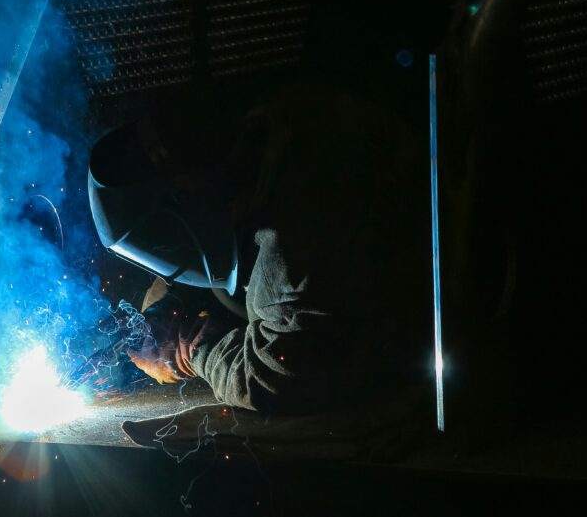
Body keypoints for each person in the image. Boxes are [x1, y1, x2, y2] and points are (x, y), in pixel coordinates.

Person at [88, 84, 425, 414]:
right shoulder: (270, 130)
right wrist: (168, 307)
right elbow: (213, 252)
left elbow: (275, 378)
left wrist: (194, 352)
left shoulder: (290, 250)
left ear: (186, 199)